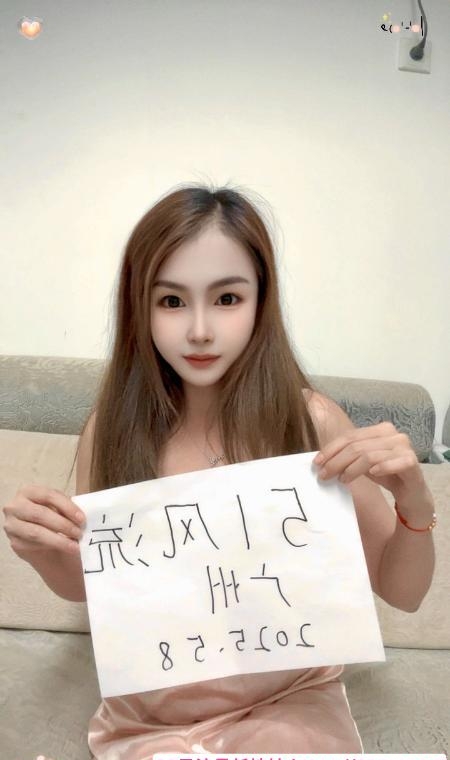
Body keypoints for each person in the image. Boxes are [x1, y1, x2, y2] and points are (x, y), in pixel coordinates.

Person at [3, 183, 436, 759]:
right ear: (139, 307)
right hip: (151, 712)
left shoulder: (310, 422)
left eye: (227, 298)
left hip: (285, 703)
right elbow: (95, 589)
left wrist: (415, 503)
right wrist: (42, 549)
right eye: (171, 301)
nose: (200, 329)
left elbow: (404, 594)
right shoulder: (113, 427)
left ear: (261, 300)